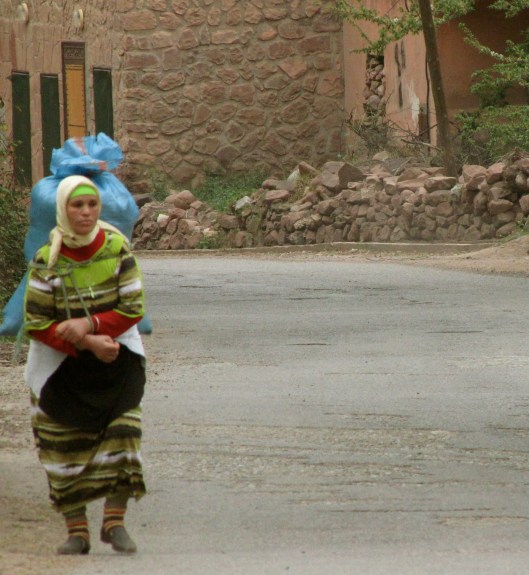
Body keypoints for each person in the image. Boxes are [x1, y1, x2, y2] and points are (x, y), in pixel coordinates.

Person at [23, 174, 147, 555]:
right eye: (77, 205)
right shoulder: (47, 261)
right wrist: (86, 342)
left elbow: (133, 306)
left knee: (124, 433)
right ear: (63, 210)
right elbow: (36, 322)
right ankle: (77, 532)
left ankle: (114, 522)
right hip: (61, 368)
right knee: (61, 445)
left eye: (92, 205)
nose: (86, 212)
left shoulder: (117, 249)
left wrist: (91, 325)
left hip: (116, 358)